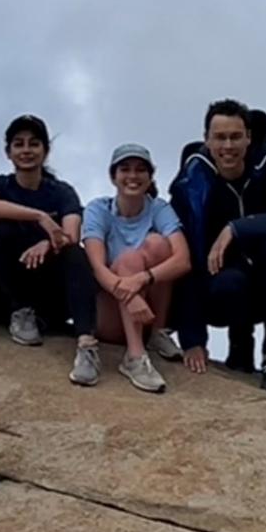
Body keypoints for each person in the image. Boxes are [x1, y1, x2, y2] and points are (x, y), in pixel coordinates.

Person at [169, 99, 266, 391]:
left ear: (249, 137)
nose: (228, 146)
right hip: (218, 288)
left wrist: (238, 228)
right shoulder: (193, 179)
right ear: (206, 139)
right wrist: (192, 340)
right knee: (230, 280)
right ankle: (240, 341)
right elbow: (185, 255)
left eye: (236, 137)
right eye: (220, 137)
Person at [0, 115, 98, 349]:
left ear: (45, 151)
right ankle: (20, 311)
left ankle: (86, 338)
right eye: (19, 144)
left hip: (45, 291)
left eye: (34, 144)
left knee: (75, 252)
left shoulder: (61, 192)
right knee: (3, 224)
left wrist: (48, 243)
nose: (26, 150)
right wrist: (40, 217)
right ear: (8, 152)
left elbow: (71, 235)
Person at [78, 144, 191, 393]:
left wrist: (141, 280)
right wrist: (127, 294)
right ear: (113, 176)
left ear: (150, 176)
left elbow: (182, 259)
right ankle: (134, 356)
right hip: (110, 312)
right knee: (129, 259)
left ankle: (157, 334)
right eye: (125, 169)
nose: (133, 176)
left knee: (158, 244)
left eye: (140, 170)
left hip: (146, 312)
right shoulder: (98, 209)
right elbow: (97, 266)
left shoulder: (158, 208)